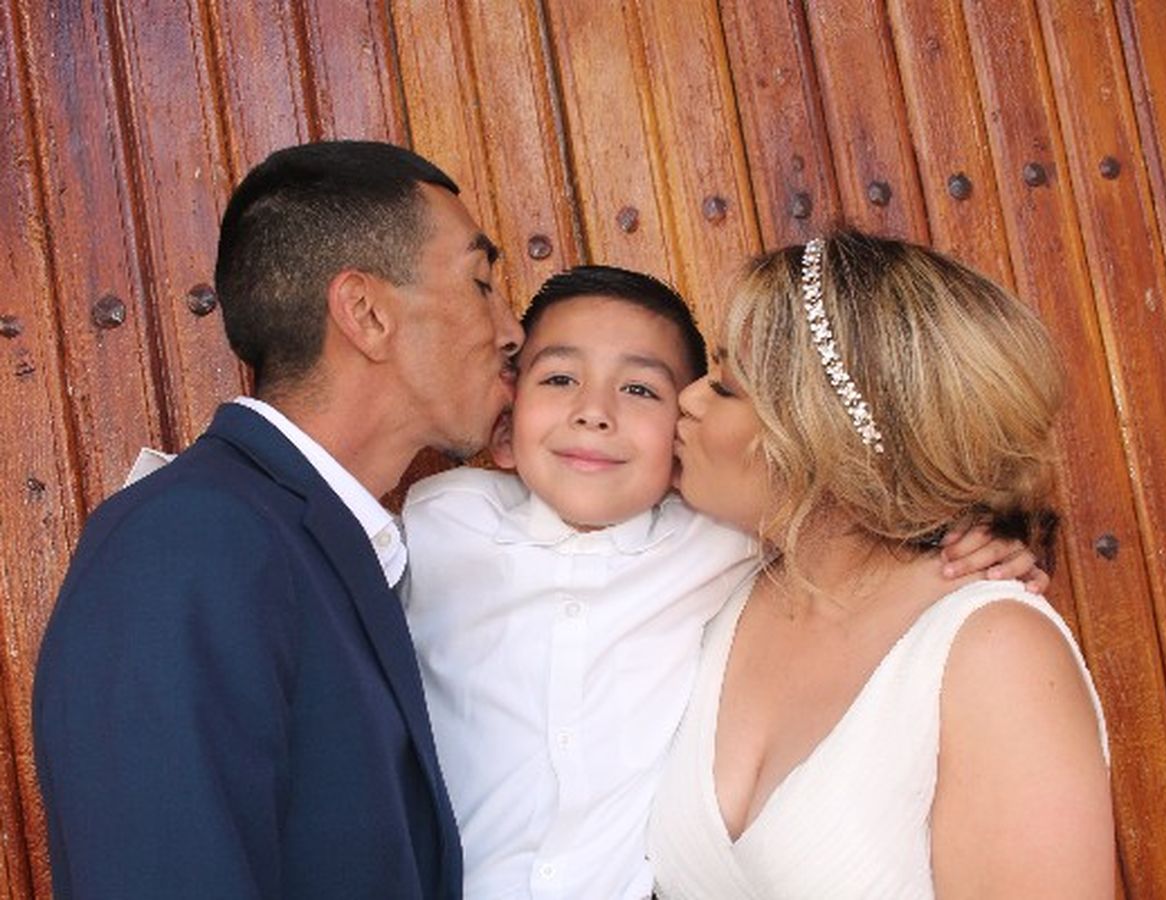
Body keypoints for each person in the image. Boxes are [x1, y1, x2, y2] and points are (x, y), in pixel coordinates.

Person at [400, 265, 1047, 900]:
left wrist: (983, 536)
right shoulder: (438, 523)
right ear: (505, 429)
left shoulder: (724, 547)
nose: (597, 412)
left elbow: (866, 523)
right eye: (560, 378)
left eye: (723, 388)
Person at [33, 140, 523, 899]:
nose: (512, 329)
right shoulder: (185, 541)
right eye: (482, 283)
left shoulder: (316, 546)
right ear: (366, 313)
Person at [649, 231, 1113, 898]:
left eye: (724, 387)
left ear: (823, 435)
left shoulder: (994, 654)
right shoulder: (704, 585)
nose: (687, 399)